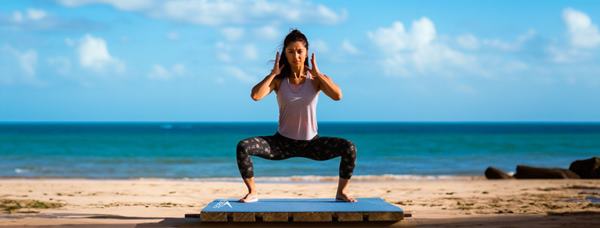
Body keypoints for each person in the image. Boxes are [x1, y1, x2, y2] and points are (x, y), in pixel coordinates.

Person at [236, 29, 357, 203]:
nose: (296, 56)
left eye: (299, 51)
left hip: (311, 144)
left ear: (306, 52)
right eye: (290, 51)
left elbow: (338, 96)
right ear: (285, 53)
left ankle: (341, 192)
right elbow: (256, 96)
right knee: (243, 147)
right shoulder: (278, 80)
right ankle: (252, 192)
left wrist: (318, 75)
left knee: (349, 147)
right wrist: (272, 74)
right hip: (281, 143)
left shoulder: (316, 79)